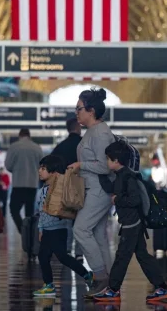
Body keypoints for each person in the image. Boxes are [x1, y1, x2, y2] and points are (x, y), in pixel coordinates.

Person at [92, 140, 167, 303]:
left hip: (132, 223)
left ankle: (113, 290)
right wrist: (99, 174)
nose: (106, 162)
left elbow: (135, 199)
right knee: (142, 255)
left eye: (108, 159)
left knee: (122, 256)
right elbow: (111, 188)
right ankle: (161, 287)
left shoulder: (128, 177)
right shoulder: (122, 175)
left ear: (116, 161)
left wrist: (117, 200)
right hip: (133, 223)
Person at [66, 88, 115, 295]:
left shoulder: (101, 133)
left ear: (91, 110)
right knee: (98, 234)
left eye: (79, 109)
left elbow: (105, 166)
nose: (76, 113)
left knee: (80, 229)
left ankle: (100, 276)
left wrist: (80, 165)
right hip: (92, 188)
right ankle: (111, 283)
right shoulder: (93, 131)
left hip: (99, 189)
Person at [32, 155, 94, 298]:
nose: (39, 171)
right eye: (40, 168)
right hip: (47, 230)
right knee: (43, 256)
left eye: (43, 168)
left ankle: (86, 275)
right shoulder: (42, 190)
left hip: (58, 230)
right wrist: (41, 229)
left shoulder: (60, 189)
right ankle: (49, 285)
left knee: (62, 257)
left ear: (54, 172)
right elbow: (41, 211)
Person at [50, 118, 84, 258]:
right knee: (81, 221)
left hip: (64, 187)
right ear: (77, 127)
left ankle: (67, 249)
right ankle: (80, 253)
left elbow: (51, 167)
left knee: (67, 220)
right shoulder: (84, 144)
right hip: (82, 187)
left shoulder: (60, 147)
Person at [5, 128, 44, 231]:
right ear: (29, 135)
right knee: (29, 213)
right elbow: (42, 166)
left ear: (20, 135)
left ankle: (22, 229)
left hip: (18, 184)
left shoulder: (14, 147)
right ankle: (29, 235)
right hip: (32, 184)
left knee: (14, 209)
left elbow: (8, 165)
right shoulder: (37, 148)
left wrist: (16, 170)